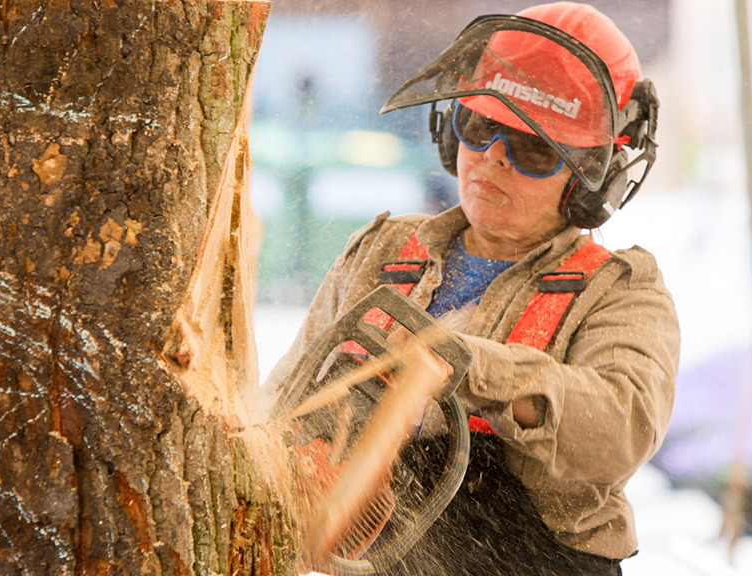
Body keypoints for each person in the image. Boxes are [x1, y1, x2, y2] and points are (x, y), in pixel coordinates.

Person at [266, 3, 679, 575]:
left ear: (595, 172)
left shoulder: (618, 292)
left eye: (532, 149)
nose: (492, 158)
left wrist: (468, 368)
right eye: (480, 128)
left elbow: (620, 428)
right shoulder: (383, 252)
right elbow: (286, 400)